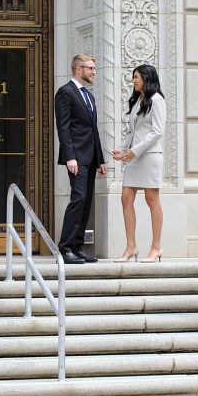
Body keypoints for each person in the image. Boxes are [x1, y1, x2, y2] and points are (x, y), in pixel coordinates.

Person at [55, 54, 107, 264]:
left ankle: (77, 247)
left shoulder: (89, 96)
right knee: (78, 198)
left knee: (86, 202)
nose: (94, 72)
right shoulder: (65, 93)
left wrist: (101, 160)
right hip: (76, 157)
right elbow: (63, 127)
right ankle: (65, 247)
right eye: (91, 68)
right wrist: (70, 157)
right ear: (79, 69)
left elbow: (93, 130)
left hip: (91, 157)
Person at [112, 64, 166, 263]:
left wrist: (133, 152)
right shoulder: (138, 101)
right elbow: (131, 131)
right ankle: (131, 246)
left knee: (152, 200)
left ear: (146, 78)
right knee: (126, 198)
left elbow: (157, 132)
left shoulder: (157, 100)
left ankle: (156, 247)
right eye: (133, 77)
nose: (133, 80)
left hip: (149, 156)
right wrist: (122, 150)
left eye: (136, 77)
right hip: (134, 157)